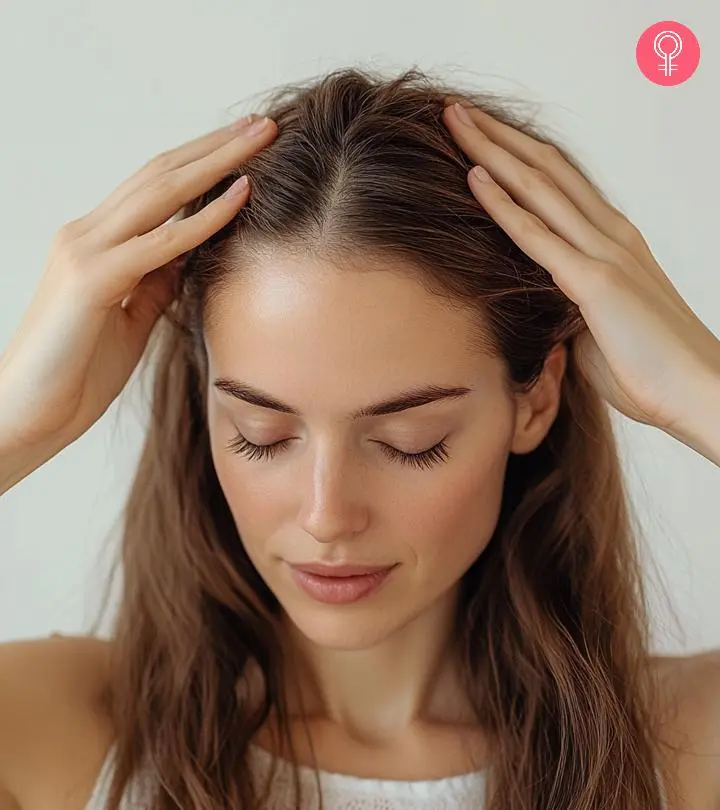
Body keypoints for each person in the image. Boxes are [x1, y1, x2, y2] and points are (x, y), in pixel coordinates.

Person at [0, 66, 718, 810]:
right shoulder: (58, 733)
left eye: (411, 441)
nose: (326, 515)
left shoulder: (684, 744)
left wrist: (701, 391)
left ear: (532, 401)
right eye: (262, 435)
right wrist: (14, 422)